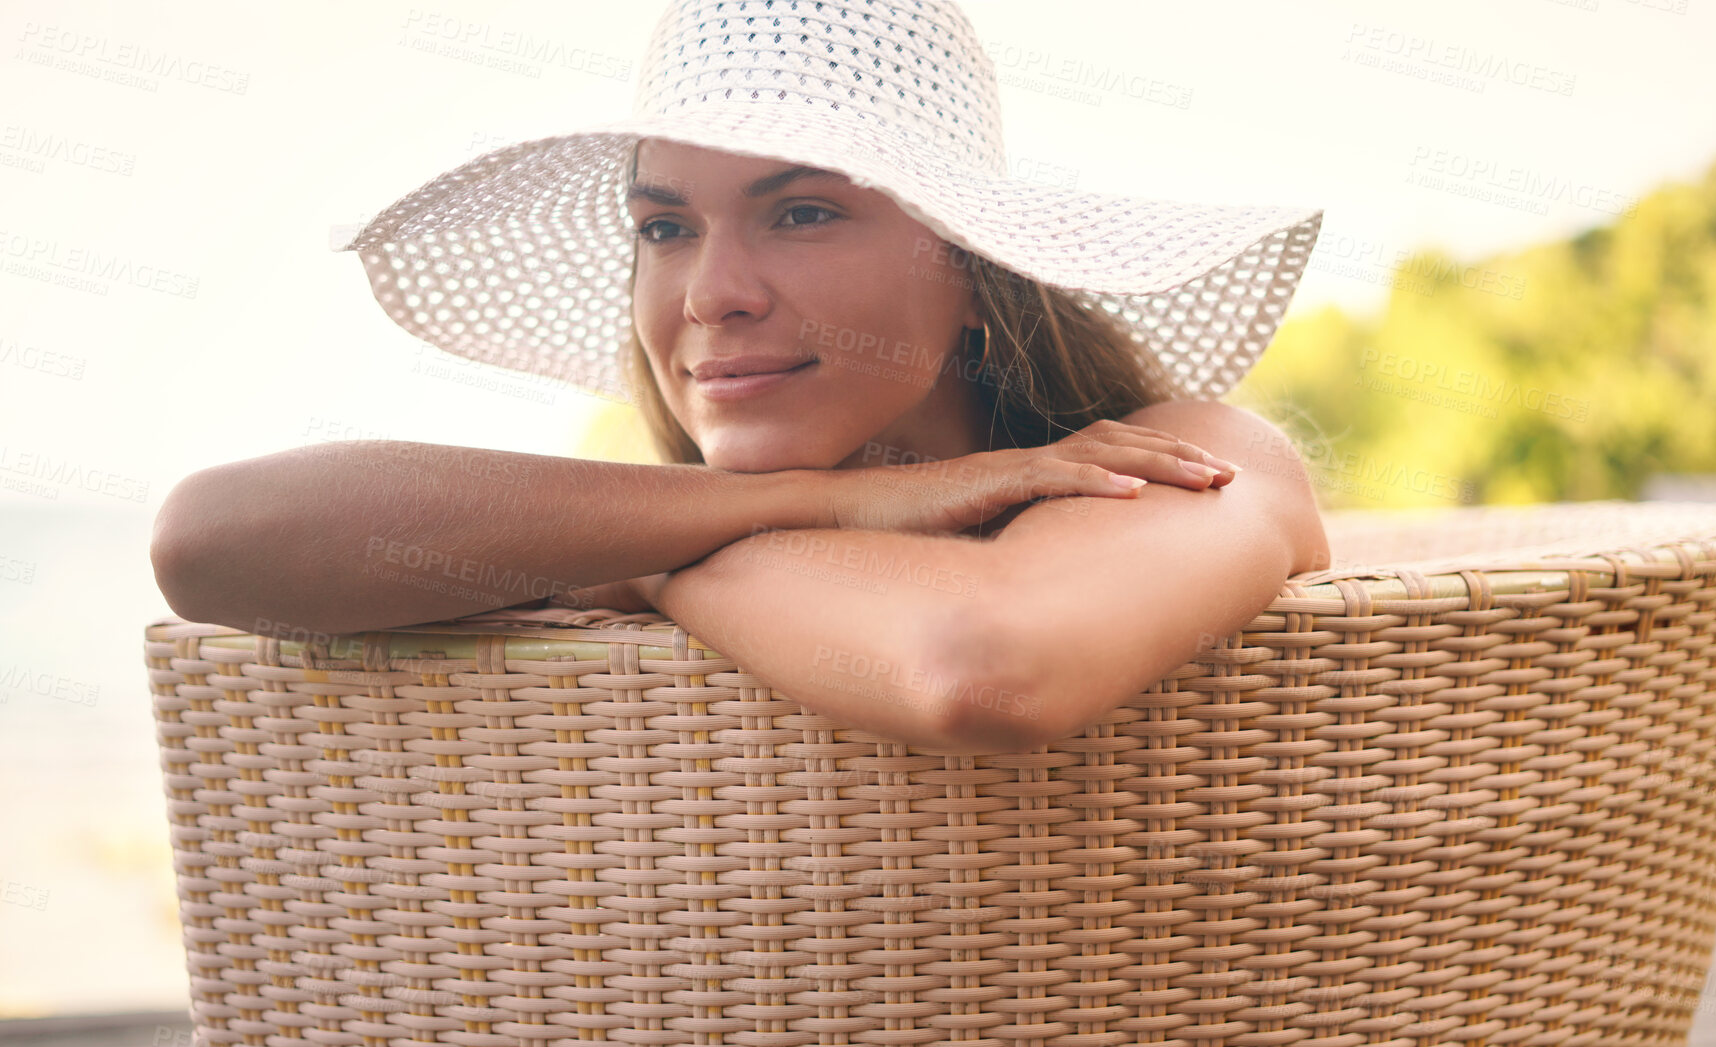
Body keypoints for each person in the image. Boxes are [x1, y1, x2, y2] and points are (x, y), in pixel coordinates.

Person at [150, 0, 1332, 754]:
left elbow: (981, 670)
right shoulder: (669, 513)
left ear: (976, 268)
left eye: (803, 211)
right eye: (666, 228)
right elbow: (208, 539)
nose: (713, 292)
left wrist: (669, 557)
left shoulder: (1186, 456)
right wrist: (818, 503)